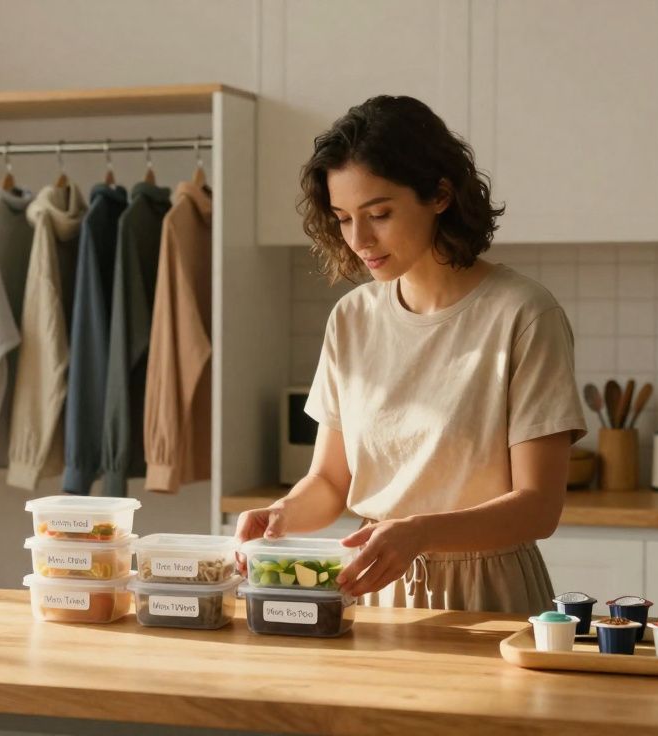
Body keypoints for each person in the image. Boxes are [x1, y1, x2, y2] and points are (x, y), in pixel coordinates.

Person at [236, 95, 587, 614]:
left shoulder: (523, 314)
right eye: (343, 218)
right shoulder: (352, 318)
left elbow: (539, 508)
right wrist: (280, 514)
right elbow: (330, 481)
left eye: (378, 214)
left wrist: (420, 533)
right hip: (375, 589)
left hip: (489, 593)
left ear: (440, 195)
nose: (359, 239)